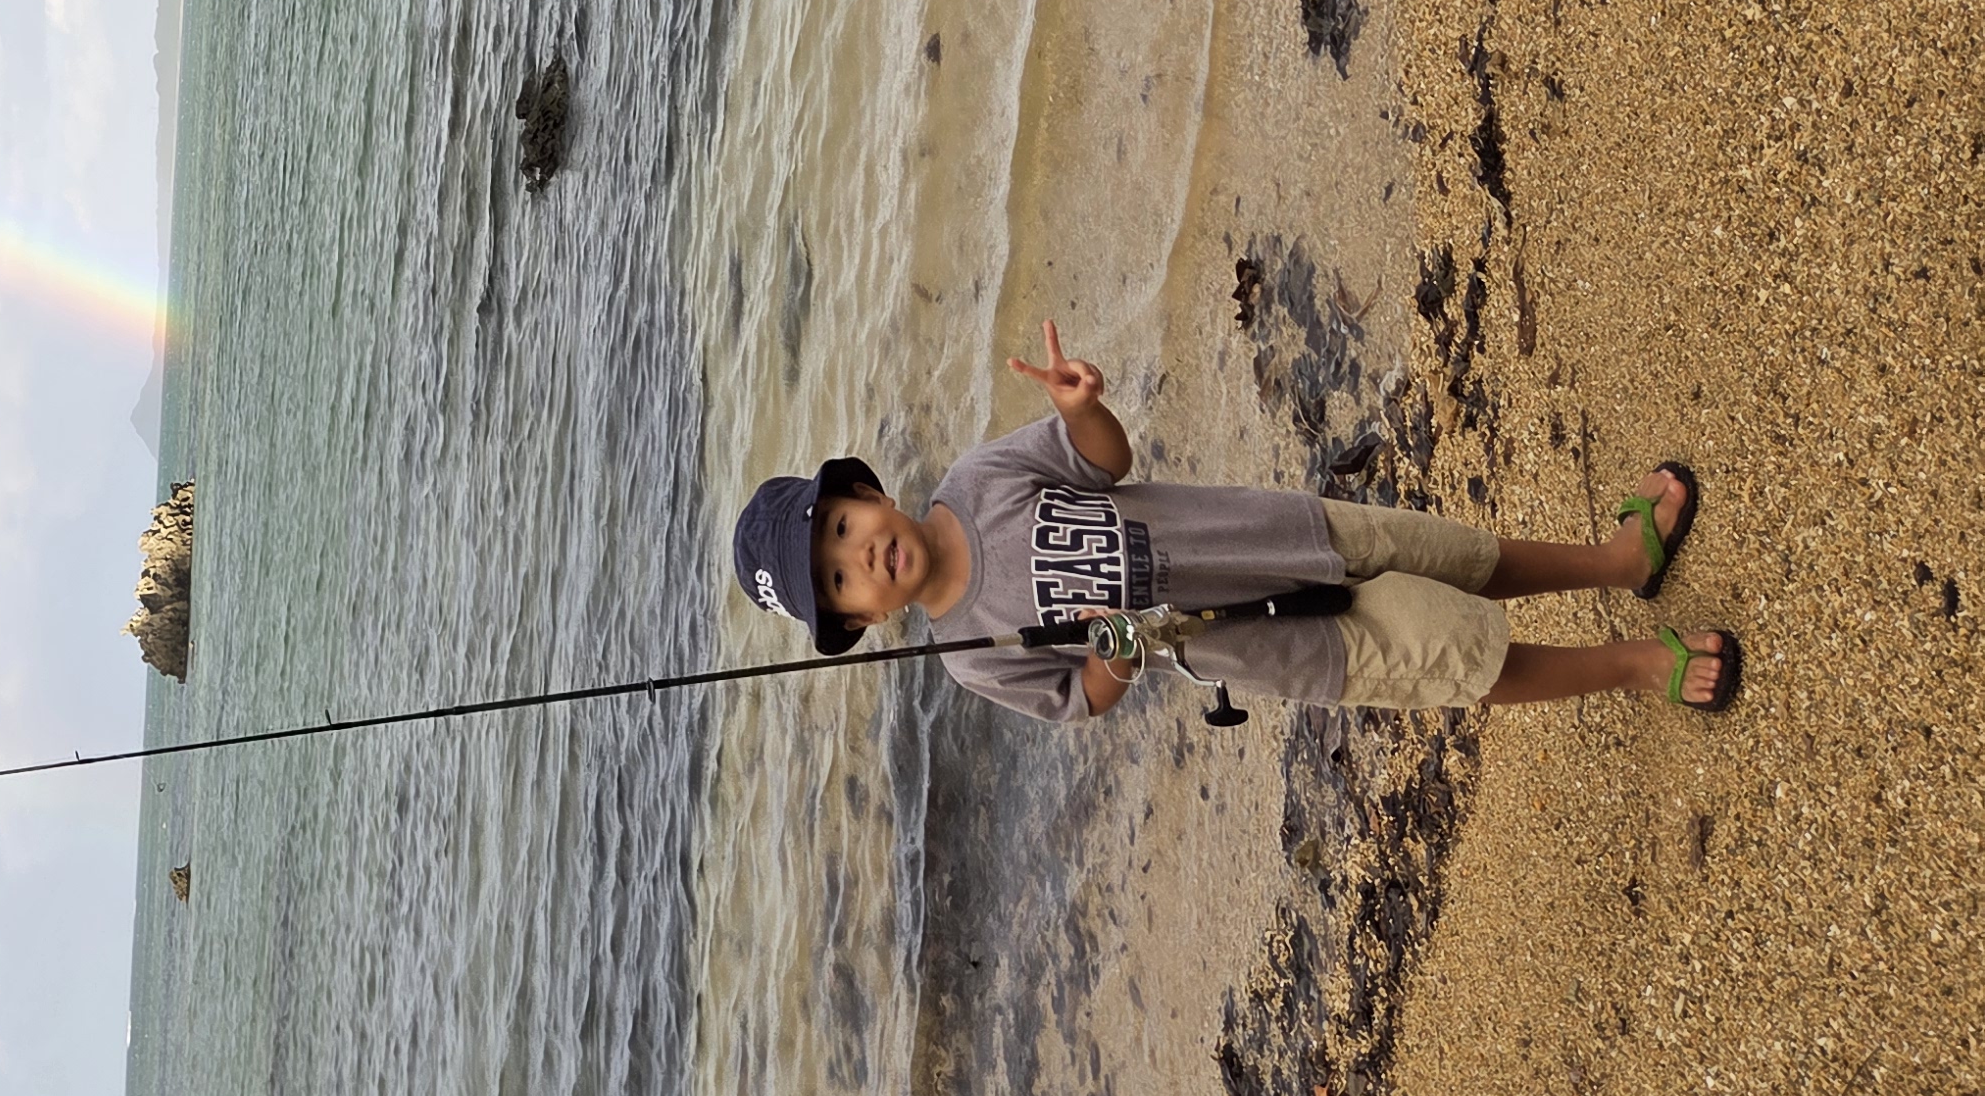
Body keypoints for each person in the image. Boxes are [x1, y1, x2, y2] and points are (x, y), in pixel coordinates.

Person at [729, 322, 1740, 719]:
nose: (858, 553)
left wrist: (1081, 405)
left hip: (1270, 533)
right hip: (1270, 652)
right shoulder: (967, 658)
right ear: (862, 618)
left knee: (1456, 557)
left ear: (863, 493)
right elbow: (1082, 701)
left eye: (838, 527)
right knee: (1445, 653)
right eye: (840, 579)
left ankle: (1612, 563)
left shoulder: (978, 478)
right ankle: (1634, 667)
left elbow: (1103, 463)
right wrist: (1115, 657)